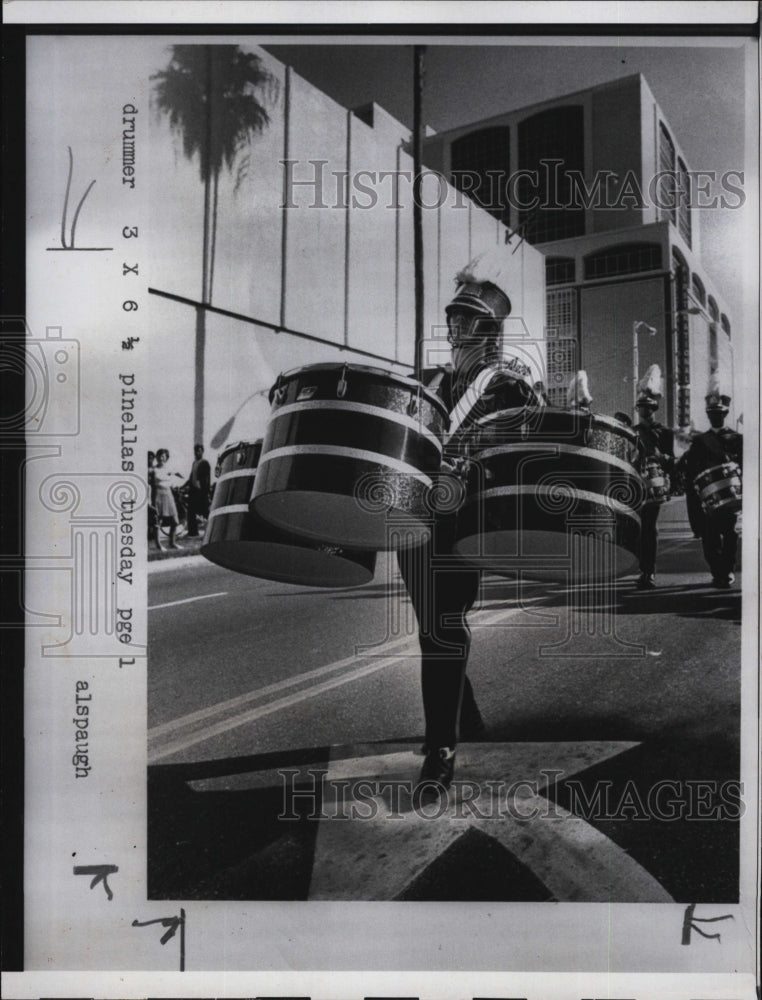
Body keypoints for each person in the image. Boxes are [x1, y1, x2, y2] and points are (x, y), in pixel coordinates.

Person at [397, 253, 542, 793]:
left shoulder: (507, 383)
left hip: (464, 523)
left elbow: (523, 436)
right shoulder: (428, 380)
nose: (455, 330)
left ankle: (440, 751)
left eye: (467, 322)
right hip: (415, 525)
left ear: (489, 331)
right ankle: (466, 713)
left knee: (442, 628)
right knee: (434, 629)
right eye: (452, 320)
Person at [679, 383, 742, 588]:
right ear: (708, 415)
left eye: (719, 413)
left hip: (732, 496)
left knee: (731, 534)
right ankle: (718, 571)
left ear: (725, 414)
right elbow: (692, 472)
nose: (716, 417)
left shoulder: (737, 438)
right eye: (712, 414)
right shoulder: (700, 441)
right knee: (710, 537)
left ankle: (728, 570)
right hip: (710, 498)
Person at [633, 365, 674, 589]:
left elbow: (672, 459)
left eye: (647, 407)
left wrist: (662, 457)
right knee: (637, 527)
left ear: (654, 407)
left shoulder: (665, 432)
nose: (644, 411)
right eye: (640, 407)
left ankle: (648, 571)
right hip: (635, 483)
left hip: (655, 482)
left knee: (649, 526)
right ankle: (641, 567)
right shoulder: (632, 431)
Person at [152, 448, 185, 550]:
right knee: (158, 521)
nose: (161, 458)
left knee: (175, 521)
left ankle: (172, 543)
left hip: (169, 494)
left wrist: (181, 478)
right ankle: (159, 545)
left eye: (163, 456)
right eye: (159, 456)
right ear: (156, 457)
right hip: (158, 494)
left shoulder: (169, 468)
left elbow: (178, 473)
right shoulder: (153, 469)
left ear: (166, 458)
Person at [185, 443, 211, 538]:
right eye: (195, 451)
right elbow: (191, 476)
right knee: (191, 511)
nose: (196, 453)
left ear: (202, 451)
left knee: (205, 511)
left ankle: (212, 528)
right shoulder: (194, 463)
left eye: (198, 451)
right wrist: (185, 485)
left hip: (201, 491)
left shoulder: (204, 463)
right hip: (193, 490)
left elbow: (206, 479)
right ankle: (192, 532)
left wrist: (205, 491)